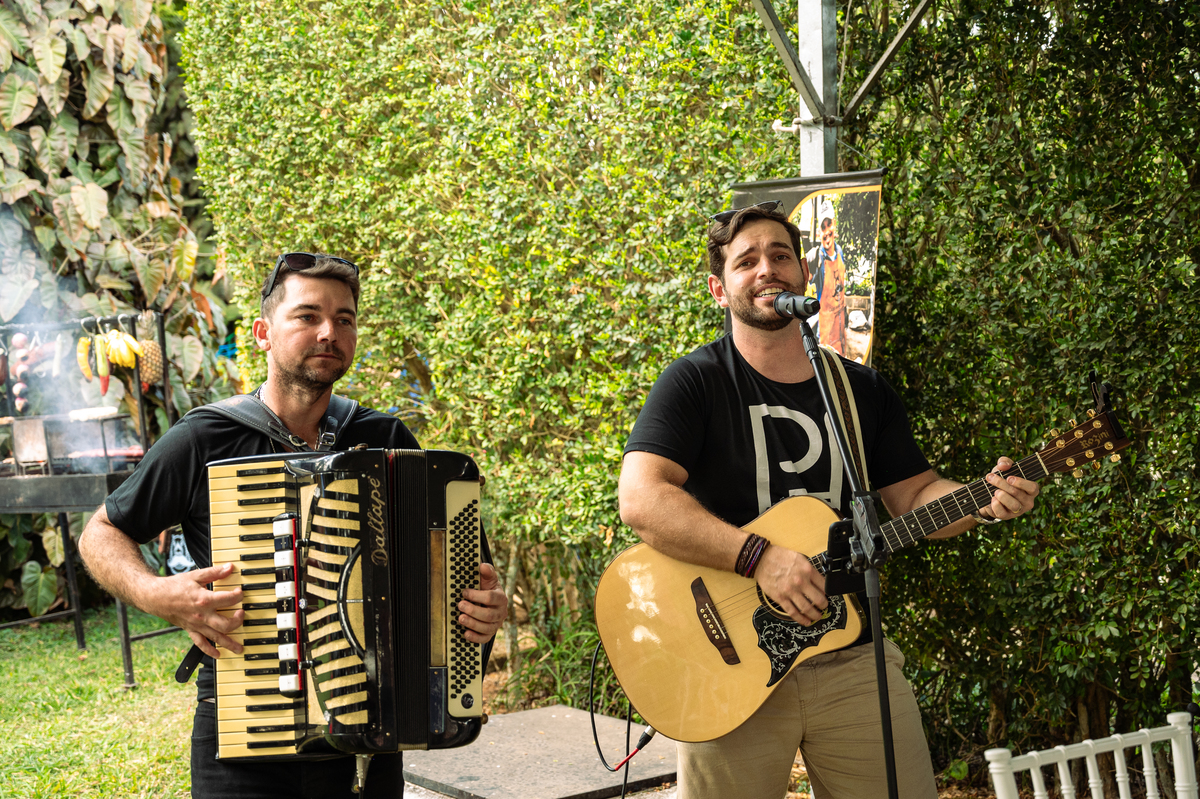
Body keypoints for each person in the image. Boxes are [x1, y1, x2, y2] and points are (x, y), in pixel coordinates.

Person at [617, 203, 1039, 799]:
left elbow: (916, 495)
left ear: (804, 277)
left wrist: (983, 501)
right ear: (720, 288)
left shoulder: (859, 389)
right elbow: (640, 499)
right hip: (729, 665)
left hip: (852, 656)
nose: (768, 269)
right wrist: (759, 557)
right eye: (747, 261)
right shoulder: (695, 382)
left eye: (782, 256)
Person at [79, 253, 508, 798]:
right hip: (246, 731)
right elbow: (101, 532)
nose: (329, 332)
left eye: (345, 319)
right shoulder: (205, 439)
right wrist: (156, 593)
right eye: (308, 316)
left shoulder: (388, 439)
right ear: (263, 332)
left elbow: (461, 587)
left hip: (376, 733)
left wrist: (480, 613)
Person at [807, 215, 848, 355]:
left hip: (840, 322)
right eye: (823, 227)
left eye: (828, 225)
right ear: (819, 232)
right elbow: (808, 278)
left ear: (834, 225)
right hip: (826, 326)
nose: (826, 232)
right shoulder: (817, 256)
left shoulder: (840, 251)